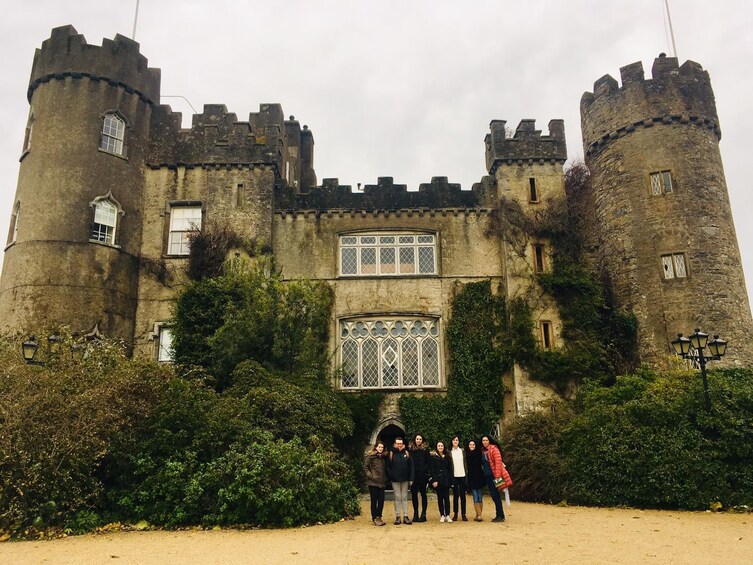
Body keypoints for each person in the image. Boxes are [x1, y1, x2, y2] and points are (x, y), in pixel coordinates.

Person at [388, 437, 414, 525]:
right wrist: (391, 476)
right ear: (394, 444)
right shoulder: (391, 453)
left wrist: (411, 478)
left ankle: (406, 516)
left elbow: (411, 466)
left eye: (401, 443)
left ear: (403, 444)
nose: (399, 445)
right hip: (395, 479)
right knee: (397, 497)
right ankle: (398, 516)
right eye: (397, 443)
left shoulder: (406, 453)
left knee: (404, 497)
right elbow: (388, 467)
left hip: (405, 479)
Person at [481, 435, 506, 522]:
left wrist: (498, 477)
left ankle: (500, 515)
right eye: (483, 440)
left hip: (495, 476)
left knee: (496, 495)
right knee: (493, 495)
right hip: (488, 476)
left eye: (486, 440)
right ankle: (499, 514)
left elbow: (498, 463)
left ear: (489, 441)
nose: (484, 442)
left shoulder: (494, 449)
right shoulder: (483, 450)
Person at [364, 440, 388, 526]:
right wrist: (371, 476)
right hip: (373, 482)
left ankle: (379, 517)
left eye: (382, 447)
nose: (380, 449)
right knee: (374, 501)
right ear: (376, 447)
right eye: (379, 447)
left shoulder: (384, 457)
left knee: (381, 500)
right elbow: (366, 467)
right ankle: (374, 517)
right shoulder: (370, 456)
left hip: (382, 481)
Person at [428, 440, 453, 522]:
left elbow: (450, 470)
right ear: (436, 447)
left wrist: (451, 481)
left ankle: (448, 515)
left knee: (447, 499)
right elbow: (432, 470)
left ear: (444, 447)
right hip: (438, 480)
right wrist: (434, 480)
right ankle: (442, 515)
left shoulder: (447, 457)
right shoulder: (433, 457)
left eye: (441, 446)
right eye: (439, 446)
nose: (440, 447)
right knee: (440, 498)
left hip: (446, 480)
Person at [409, 433, 430, 522]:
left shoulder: (425, 450)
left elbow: (428, 462)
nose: (419, 441)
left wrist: (425, 471)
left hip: (423, 476)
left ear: (422, 440)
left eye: (420, 439)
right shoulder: (410, 450)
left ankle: (423, 514)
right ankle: (416, 513)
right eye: (417, 439)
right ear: (415, 440)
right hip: (414, 476)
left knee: (423, 494)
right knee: (414, 495)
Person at [466, 438, 486, 521]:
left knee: (480, 496)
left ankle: (479, 515)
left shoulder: (479, 454)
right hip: (472, 477)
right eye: (470, 444)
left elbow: (484, 463)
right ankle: (478, 514)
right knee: (475, 496)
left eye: (473, 444)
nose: (472, 446)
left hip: (479, 476)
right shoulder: (466, 454)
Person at [449, 435, 468, 521]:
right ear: (452, 442)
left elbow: (465, 463)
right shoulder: (449, 452)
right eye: (454, 440)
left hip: (462, 475)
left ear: (458, 441)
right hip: (454, 476)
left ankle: (463, 514)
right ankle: (455, 513)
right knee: (455, 496)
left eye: (456, 440)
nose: (455, 441)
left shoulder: (462, 451)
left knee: (463, 496)